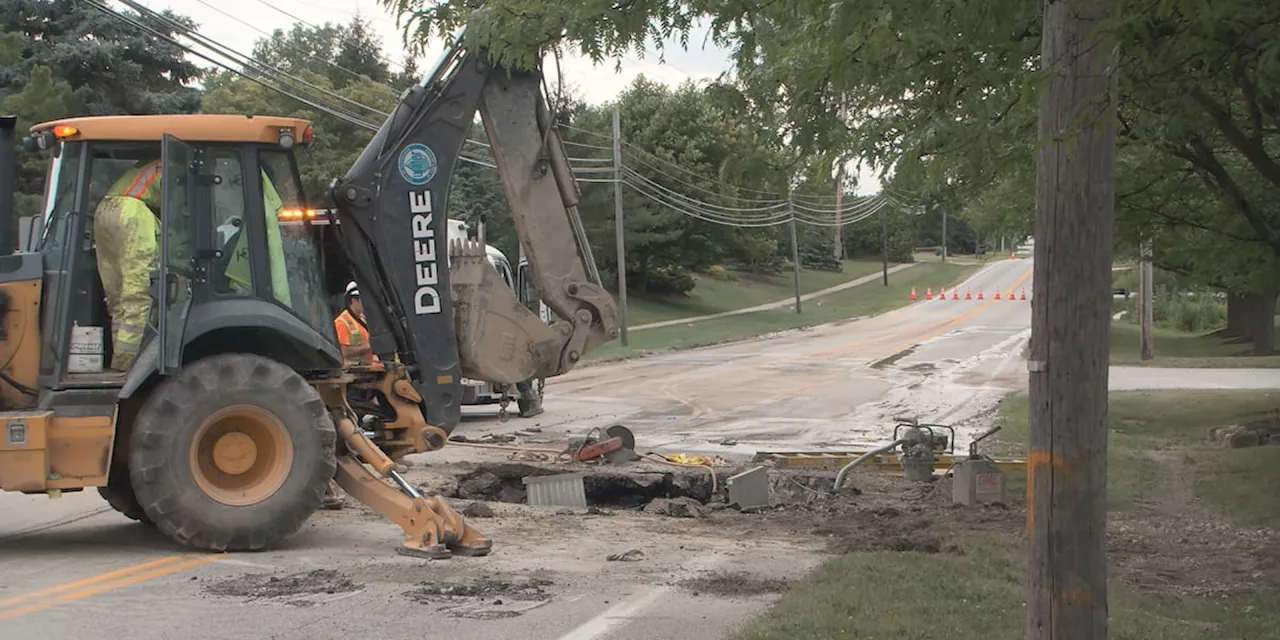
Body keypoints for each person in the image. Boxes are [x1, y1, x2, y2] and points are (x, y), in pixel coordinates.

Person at [95, 159, 162, 371]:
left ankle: (119, 356)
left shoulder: (143, 165)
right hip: (132, 213)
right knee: (139, 294)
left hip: (105, 210)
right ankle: (131, 364)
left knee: (117, 294)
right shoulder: (174, 162)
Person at [333, 281, 378, 367]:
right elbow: (344, 352)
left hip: (368, 369)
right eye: (363, 300)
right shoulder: (341, 322)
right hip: (353, 372)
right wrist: (369, 346)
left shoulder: (362, 320)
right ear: (354, 301)